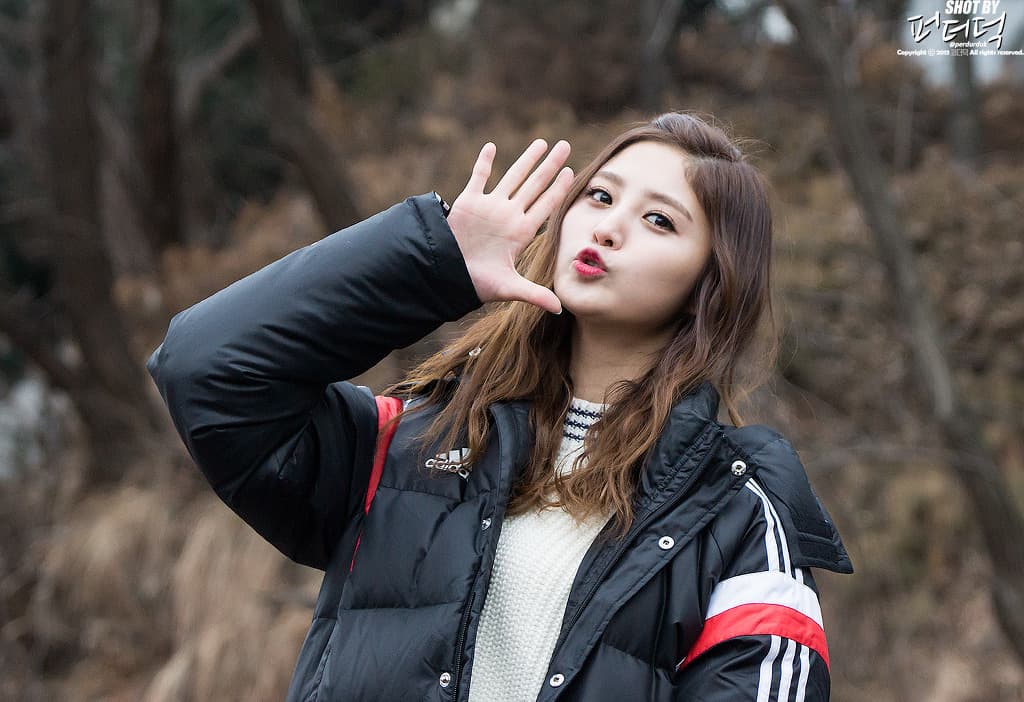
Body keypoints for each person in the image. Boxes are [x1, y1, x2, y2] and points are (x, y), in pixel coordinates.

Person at [146, 111, 853, 702]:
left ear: (711, 284)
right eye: (599, 197)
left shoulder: (738, 516)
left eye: (659, 220)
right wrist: (431, 264)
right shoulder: (407, 445)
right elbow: (206, 370)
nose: (608, 228)